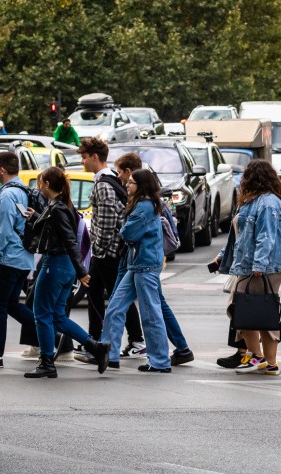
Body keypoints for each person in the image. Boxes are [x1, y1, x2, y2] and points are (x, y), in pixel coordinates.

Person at [23, 167, 110, 379]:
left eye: (40, 181)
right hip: (64, 266)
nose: (37, 185)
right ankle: (96, 347)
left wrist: (82, 271)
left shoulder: (58, 208)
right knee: (57, 316)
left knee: (42, 313)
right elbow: (59, 234)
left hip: (56, 264)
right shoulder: (61, 205)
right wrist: (35, 218)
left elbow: (70, 240)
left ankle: (46, 362)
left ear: (46, 184)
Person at [214, 159, 281, 376]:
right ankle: (266, 361)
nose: (242, 181)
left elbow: (265, 237)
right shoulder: (252, 201)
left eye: (245, 176)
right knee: (259, 312)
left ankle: (261, 358)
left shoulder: (266, 203)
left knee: (249, 310)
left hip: (262, 266)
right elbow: (239, 236)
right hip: (253, 264)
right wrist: (223, 256)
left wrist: (259, 264)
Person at [102, 169, 173, 373]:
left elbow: (128, 232)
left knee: (150, 313)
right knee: (115, 307)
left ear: (141, 186)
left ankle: (160, 361)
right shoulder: (146, 204)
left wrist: (125, 231)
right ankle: (109, 353)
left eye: (131, 182)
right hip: (138, 263)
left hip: (146, 264)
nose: (127, 185)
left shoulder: (144, 206)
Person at [77, 138, 141, 362]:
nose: (82, 162)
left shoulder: (103, 184)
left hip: (107, 251)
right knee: (107, 295)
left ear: (95, 157)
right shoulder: (111, 180)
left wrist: (99, 250)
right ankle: (105, 339)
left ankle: (106, 342)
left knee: (110, 297)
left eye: (84, 157)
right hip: (111, 250)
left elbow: (105, 223)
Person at [0, 152, 35, 368]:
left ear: (2, 169)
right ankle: (51, 334)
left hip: (7, 258)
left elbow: (3, 231)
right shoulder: (23, 191)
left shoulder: (7, 195)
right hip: (22, 258)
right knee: (12, 304)